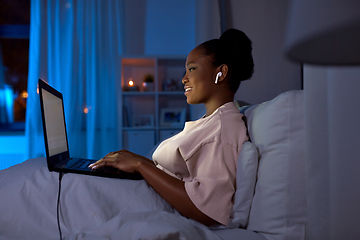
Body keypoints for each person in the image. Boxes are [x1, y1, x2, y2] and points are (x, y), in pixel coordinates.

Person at [90, 28, 254, 227]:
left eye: (192, 69)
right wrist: (135, 160)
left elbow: (209, 211)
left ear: (221, 72)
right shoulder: (210, 121)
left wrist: (139, 166)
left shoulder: (224, 128)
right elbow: (177, 175)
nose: (184, 78)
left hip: (152, 207)